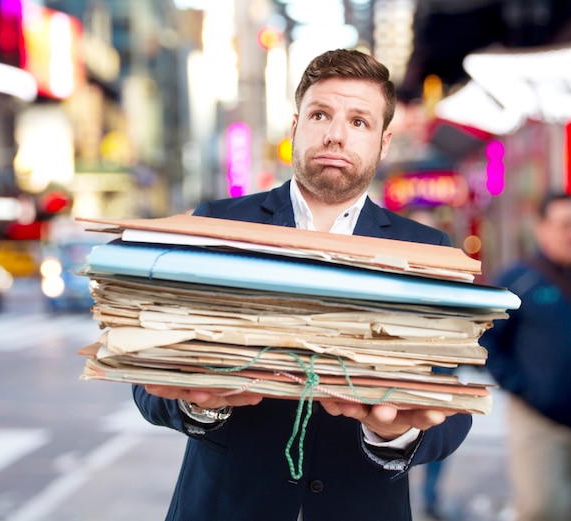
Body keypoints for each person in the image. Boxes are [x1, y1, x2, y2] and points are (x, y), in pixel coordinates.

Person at [132, 48, 472, 521]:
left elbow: (450, 398)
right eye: (320, 115)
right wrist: (202, 405)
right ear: (295, 128)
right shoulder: (217, 226)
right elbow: (149, 380)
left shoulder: (427, 249)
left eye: (359, 122)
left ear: (384, 141)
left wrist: (392, 432)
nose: (336, 134)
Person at [479, 192, 571, 521]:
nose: (569, 234)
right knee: (542, 508)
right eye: (563, 225)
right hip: (538, 421)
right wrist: (522, 386)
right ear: (541, 228)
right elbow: (486, 340)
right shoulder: (518, 280)